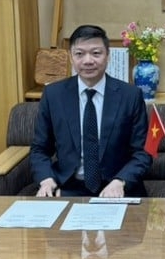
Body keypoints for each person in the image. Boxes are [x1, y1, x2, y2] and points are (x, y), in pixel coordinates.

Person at [31, 24, 152, 198]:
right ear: (71, 58)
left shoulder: (130, 95)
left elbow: (142, 152)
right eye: (79, 54)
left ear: (108, 56)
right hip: (68, 187)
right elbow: (39, 149)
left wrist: (120, 181)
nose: (88, 61)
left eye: (96, 53)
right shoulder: (53, 95)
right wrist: (46, 179)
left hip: (117, 187)